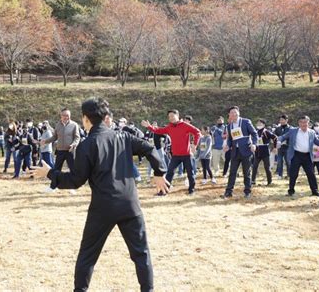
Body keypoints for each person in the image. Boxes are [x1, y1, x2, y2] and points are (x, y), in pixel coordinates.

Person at [31, 98, 169, 292]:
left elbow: (75, 181)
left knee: (87, 255)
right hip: (130, 204)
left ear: (85, 119)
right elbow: (150, 148)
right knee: (141, 254)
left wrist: (50, 173)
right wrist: (159, 172)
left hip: (103, 207)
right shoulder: (124, 137)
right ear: (105, 118)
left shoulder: (87, 145)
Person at [141, 110, 201, 195]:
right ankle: (164, 191)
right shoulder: (169, 127)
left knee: (190, 173)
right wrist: (149, 126)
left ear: (177, 116)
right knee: (169, 173)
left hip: (187, 154)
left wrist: (194, 144)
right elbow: (159, 130)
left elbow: (197, 132)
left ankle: (191, 190)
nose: (171, 118)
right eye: (169, 117)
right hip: (175, 155)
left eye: (172, 116)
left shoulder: (185, 125)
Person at [278, 115, 319, 197]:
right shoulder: (293, 131)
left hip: (307, 156)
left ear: (308, 123)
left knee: (311, 174)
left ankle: (315, 191)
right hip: (296, 155)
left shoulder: (312, 132)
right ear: (299, 123)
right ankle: (291, 191)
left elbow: (317, 142)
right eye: (301, 122)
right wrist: (279, 141)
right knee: (293, 174)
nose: (303, 124)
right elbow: (283, 137)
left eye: (305, 122)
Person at [40, 108, 81, 193]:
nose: (66, 117)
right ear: (61, 116)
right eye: (64, 115)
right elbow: (55, 137)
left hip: (70, 151)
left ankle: (72, 187)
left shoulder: (74, 125)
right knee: (56, 170)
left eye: (68, 115)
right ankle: (53, 187)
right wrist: (46, 141)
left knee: (73, 170)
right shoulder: (58, 125)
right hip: (60, 151)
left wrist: (74, 144)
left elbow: (77, 137)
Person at [222, 106, 258, 199]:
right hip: (235, 152)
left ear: (238, 113)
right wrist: (227, 145)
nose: (233, 114)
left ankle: (247, 192)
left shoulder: (246, 122)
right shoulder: (229, 125)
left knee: (247, 173)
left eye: (235, 112)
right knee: (232, 172)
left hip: (246, 151)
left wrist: (254, 144)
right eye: (231, 113)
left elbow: (254, 134)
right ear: (229, 115)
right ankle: (228, 192)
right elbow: (230, 139)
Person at [251, 119, 277, 186]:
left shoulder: (266, 132)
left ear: (264, 125)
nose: (258, 125)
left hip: (265, 151)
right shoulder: (256, 132)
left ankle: (269, 181)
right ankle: (252, 181)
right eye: (257, 124)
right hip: (257, 151)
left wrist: (275, 147)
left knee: (267, 167)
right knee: (254, 166)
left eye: (260, 124)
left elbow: (275, 137)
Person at [274, 114, 291, 179]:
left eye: (282, 120)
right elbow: (274, 137)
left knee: (288, 161)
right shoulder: (278, 129)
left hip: (287, 147)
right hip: (280, 147)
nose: (281, 121)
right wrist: (274, 147)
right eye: (280, 120)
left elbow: (292, 137)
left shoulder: (290, 128)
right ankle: (279, 175)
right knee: (279, 161)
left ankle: (289, 175)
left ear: (286, 120)